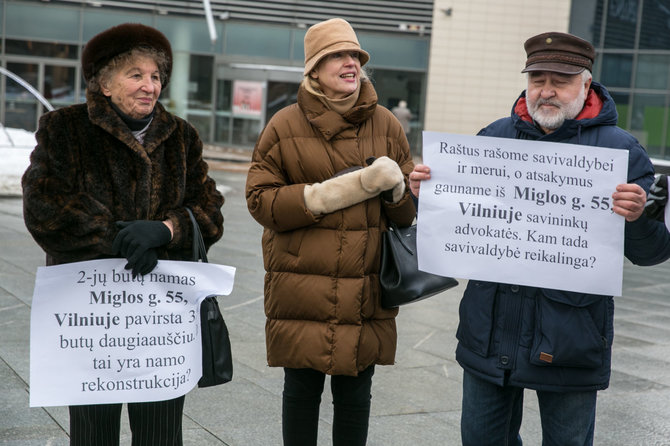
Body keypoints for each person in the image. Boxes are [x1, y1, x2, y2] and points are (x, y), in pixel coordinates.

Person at [410, 32, 670, 445]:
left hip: (572, 339)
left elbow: (653, 251)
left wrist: (637, 218)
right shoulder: (493, 138)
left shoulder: (622, 152)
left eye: (560, 80)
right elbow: (457, 224)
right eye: (537, 79)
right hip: (489, 333)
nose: (546, 91)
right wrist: (425, 196)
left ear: (586, 86)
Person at [22, 23, 224, 446]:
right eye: (136, 75)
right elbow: (44, 207)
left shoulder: (181, 136)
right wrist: (114, 239)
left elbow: (210, 211)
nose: (149, 86)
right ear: (104, 83)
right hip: (92, 316)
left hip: (159, 322)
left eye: (155, 76)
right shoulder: (64, 129)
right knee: (94, 434)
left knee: (161, 434)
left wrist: (166, 230)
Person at [245, 18, 416, 446]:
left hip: (365, 289)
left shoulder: (389, 126)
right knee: (300, 392)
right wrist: (325, 196)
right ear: (314, 70)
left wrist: (397, 190)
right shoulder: (284, 125)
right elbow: (260, 200)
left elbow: (407, 217)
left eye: (355, 56)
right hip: (301, 286)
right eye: (337, 56)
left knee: (356, 395)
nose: (350, 63)